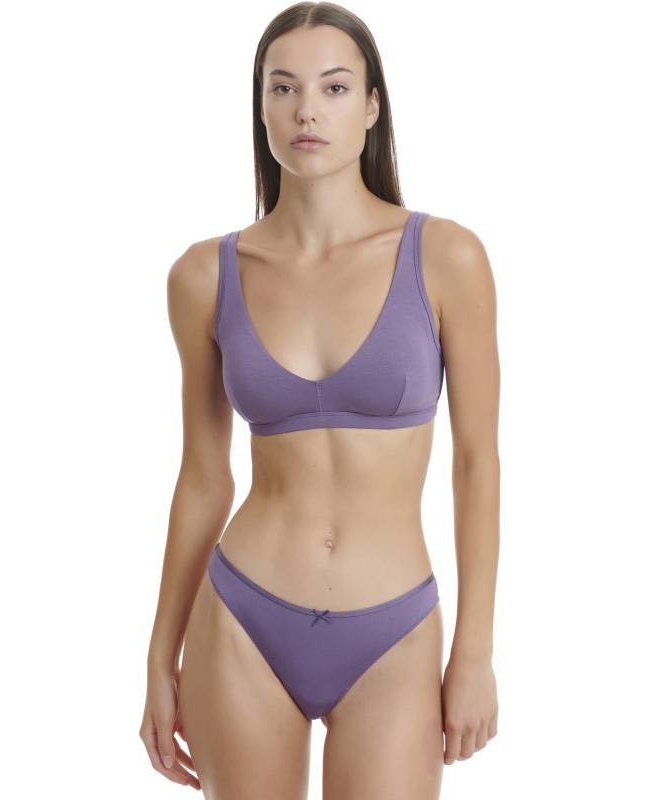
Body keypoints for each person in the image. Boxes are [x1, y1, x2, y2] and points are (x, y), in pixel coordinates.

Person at [139, 3, 500, 797]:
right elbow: (202, 477)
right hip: (243, 618)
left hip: (394, 629)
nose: (307, 110)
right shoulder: (203, 276)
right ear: (262, 106)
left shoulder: (446, 258)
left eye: (334, 88)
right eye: (284, 87)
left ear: (371, 107)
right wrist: (160, 658)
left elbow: (477, 462)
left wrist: (474, 650)